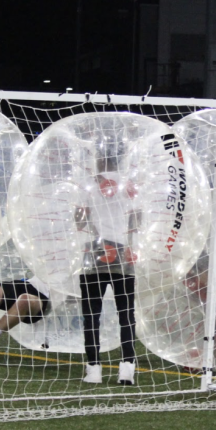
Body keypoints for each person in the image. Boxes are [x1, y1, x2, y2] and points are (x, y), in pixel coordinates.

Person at [77, 153, 141, 385]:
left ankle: (94, 370)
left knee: (92, 314)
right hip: (123, 252)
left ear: (99, 163)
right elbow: (137, 218)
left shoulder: (90, 184)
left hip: (95, 251)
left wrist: (96, 226)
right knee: (126, 313)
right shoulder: (129, 184)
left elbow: (79, 220)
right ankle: (127, 370)